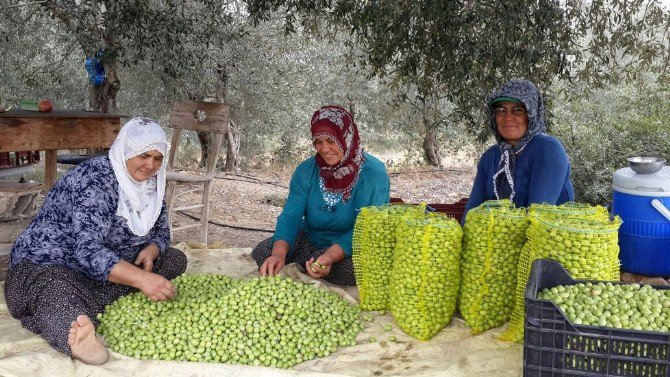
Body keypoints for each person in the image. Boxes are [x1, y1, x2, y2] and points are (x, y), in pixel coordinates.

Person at [4, 117, 187, 365]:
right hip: (52, 264)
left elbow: (161, 232)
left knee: (174, 259)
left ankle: (89, 303)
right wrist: (142, 278)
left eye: (157, 158)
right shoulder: (96, 180)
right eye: (143, 156)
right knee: (54, 292)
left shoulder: (152, 185)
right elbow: (87, 251)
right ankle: (80, 337)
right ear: (126, 151)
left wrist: (152, 249)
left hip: (108, 266)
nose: (150, 165)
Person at [252, 105, 390, 286]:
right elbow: (291, 216)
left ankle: (315, 265)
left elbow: (366, 229)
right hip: (311, 238)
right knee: (264, 252)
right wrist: (278, 255)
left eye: (331, 141)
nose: (325, 149)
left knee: (358, 270)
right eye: (318, 142)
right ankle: (313, 265)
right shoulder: (306, 171)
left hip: (351, 246)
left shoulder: (373, 174)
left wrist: (329, 257)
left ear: (346, 138)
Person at [464, 79, 575, 216]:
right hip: (498, 236)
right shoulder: (491, 156)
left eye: (518, 110)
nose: (508, 117)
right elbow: (471, 213)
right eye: (501, 110)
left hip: (546, 235)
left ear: (531, 114)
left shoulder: (547, 149)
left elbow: (537, 216)